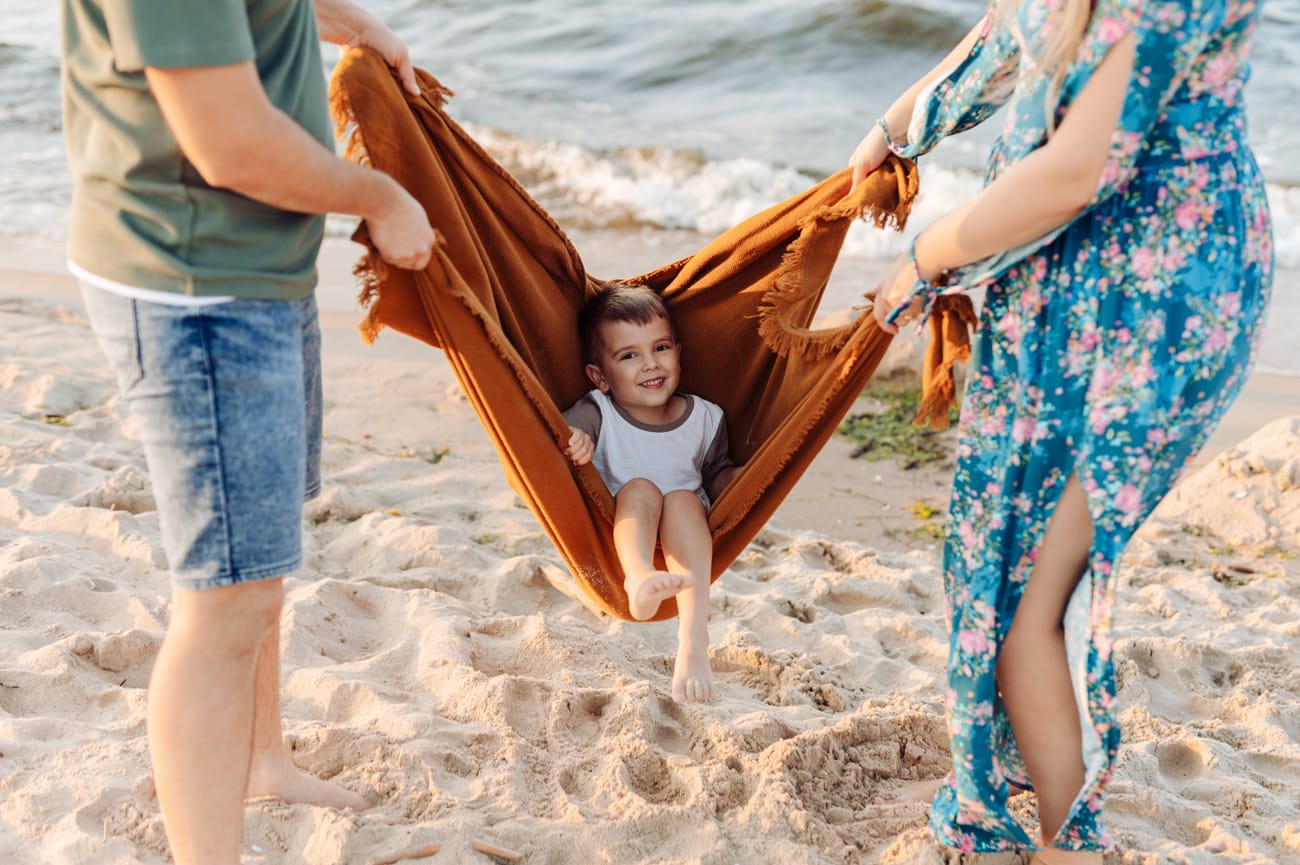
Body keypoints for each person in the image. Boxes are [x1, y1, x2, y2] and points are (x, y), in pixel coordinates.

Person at [846, 0, 1272, 860]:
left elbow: (1080, 170)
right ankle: (1055, 820)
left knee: (1028, 599)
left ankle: (1068, 842)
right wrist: (895, 129)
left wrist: (928, 261)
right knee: (1001, 572)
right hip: (1055, 290)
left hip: (1157, 307)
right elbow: (1013, 32)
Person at [60, 1, 436, 862]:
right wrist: (380, 195)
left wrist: (359, 27)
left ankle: (264, 759)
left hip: (258, 267)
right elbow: (226, 142)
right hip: (193, 283)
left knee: (262, 557)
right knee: (229, 597)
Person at [562, 283, 738, 703]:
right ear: (599, 376)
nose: (650, 364)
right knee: (641, 488)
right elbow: (560, 435)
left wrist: (754, 483)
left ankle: (693, 643)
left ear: (678, 351)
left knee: (681, 498)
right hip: (622, 530)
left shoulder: (706, 418)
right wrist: (575, 439)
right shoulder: (596, 411)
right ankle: (639, 576)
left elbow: (719, 475)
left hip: (686, 534)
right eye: (629, 355)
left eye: (660, 348)